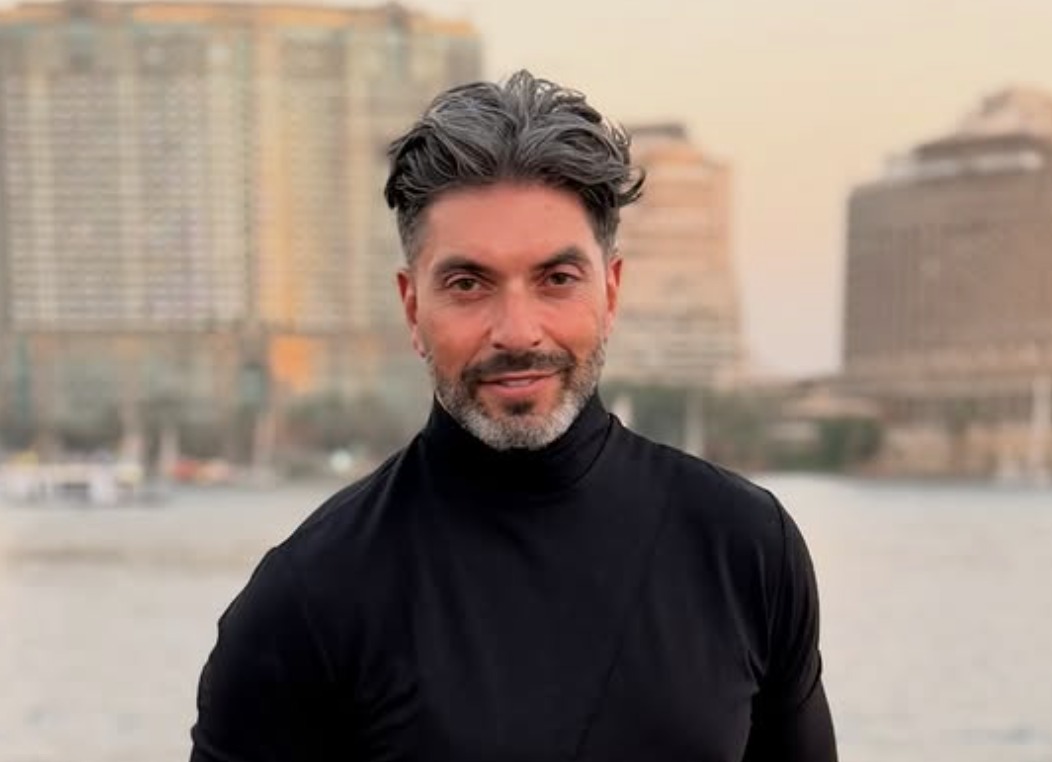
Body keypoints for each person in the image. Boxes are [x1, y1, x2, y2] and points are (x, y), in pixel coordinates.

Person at [189, 70, 837, 761]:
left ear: (610, 292)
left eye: (556, 279)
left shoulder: (745, 548)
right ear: (412, 307)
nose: (518, 331)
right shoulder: (309, 598)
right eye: (469, 284)